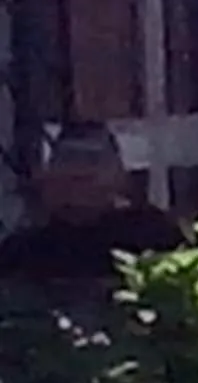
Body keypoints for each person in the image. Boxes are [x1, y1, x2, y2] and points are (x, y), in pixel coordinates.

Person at [0, 123, 186, 294]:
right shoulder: (23, 251)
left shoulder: (153, 235)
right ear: (47, 181)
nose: (79, 179)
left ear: (119, 177)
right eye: (68, 162)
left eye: (93, 163)